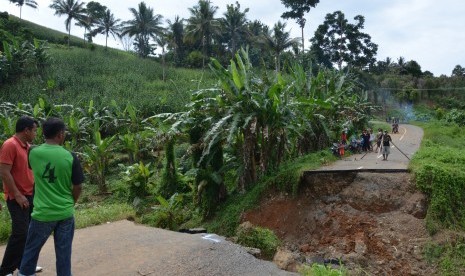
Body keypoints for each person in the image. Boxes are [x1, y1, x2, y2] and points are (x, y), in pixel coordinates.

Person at [19, 118, 84, 276]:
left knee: (31, 252)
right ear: (61, 134)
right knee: (64, 255)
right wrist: (71, 202)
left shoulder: (33, 152)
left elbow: (32, 168)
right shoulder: (70, 156)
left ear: (44, 133)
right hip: (65, 213)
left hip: (42, 213)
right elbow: (78, 186)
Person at [0, 116, 40, 276]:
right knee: (20, 232)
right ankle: (6, 270)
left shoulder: (28, 146)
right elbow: (4, 171)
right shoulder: (10, 145)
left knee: (30, 232)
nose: (36, 133)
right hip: (17, 197)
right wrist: (17, 195)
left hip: (30, 194)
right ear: (26, 130)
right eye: (35, 130)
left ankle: (25, 265)